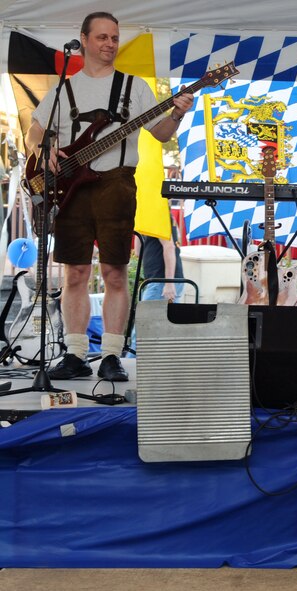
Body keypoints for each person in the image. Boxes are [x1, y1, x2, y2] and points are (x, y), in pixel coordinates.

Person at [25, 12, 194, 381]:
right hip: (71, 188)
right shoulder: (62, 90)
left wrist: (178, 115)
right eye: (102, 37)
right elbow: (34, 133)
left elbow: (161, 133)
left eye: (115, 38)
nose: (110, 44)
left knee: (115, 270)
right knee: (75, 271)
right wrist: (46, 148)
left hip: (117, 183)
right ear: (83, 40)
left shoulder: (134, 87)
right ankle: (75, 353)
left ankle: (112, 354)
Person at [136, 220, 185, 303]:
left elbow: (169, 247)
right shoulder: (150, 217)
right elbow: (138, 251)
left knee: (146, 315)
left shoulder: (158, 216)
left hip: (161, 280)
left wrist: (169, 282)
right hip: (159, 279)